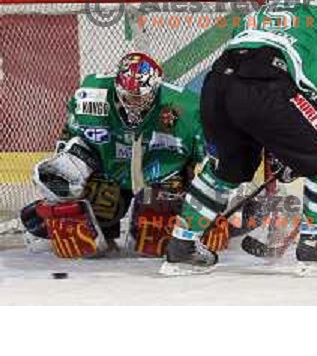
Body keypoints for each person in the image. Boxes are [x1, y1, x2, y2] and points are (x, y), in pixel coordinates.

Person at [160, 0, 317, 275]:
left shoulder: (253, 18)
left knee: (225, 171)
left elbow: (252, 102)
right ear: (304, 0)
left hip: (216, 86)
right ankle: (314, 244)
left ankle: (182, 246)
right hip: (267, 84)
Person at [21, 52, 207, 258]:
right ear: (117, 87)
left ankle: (194, 231)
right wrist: (60, 191)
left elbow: (208, 160)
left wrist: (200, 197)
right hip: (107, 171)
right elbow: (70, 139)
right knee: (59, 178)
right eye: (128, 96)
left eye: (141, 97)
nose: (134, 103)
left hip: (162, 175)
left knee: (155, 243)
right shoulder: (90, 96)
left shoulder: (187, 109)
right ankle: (54, 222)